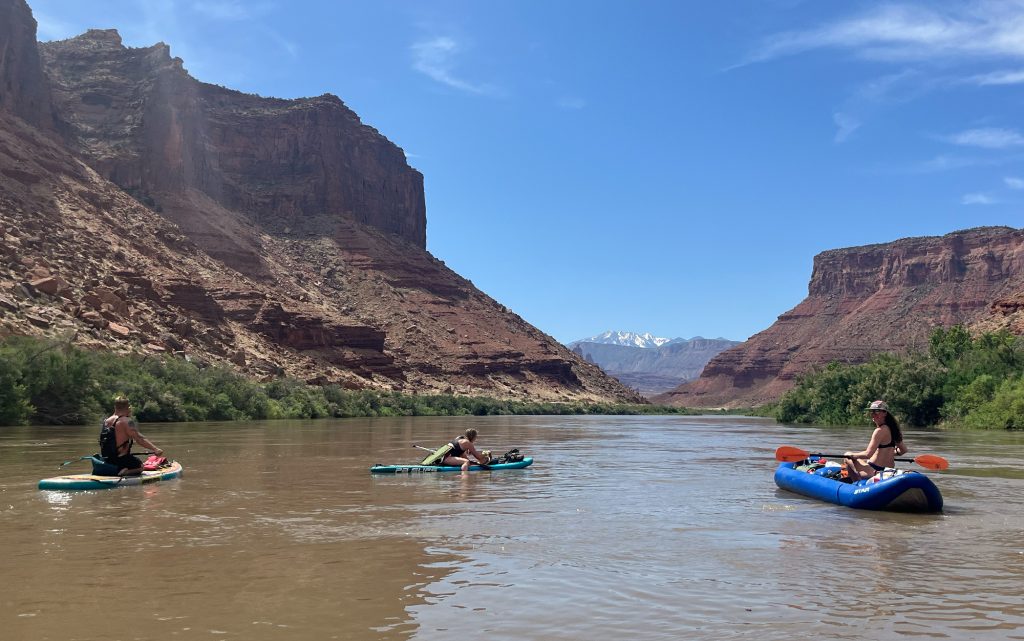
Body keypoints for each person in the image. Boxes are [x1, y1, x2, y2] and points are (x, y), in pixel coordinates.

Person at [842, 400, 906, 481]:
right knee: (863, 459)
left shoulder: (879, 431)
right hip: (888, 470)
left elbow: (868, 454)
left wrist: (853, 456)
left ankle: (856, 482)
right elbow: (903, 450)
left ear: (885, 413)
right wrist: (890, 452)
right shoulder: (894, 429)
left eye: (877, 412)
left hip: (875, 471)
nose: (873, 414)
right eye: (871, 412)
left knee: (847, 454)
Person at [101, 397, 163, 476]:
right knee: (140, 466)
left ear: (115, 407)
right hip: (121, 460)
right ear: (128, 407)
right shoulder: (126, 421)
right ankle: (125, 472)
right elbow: (139, 439)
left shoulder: (106, 421)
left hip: (107, 459)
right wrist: (155, 449)